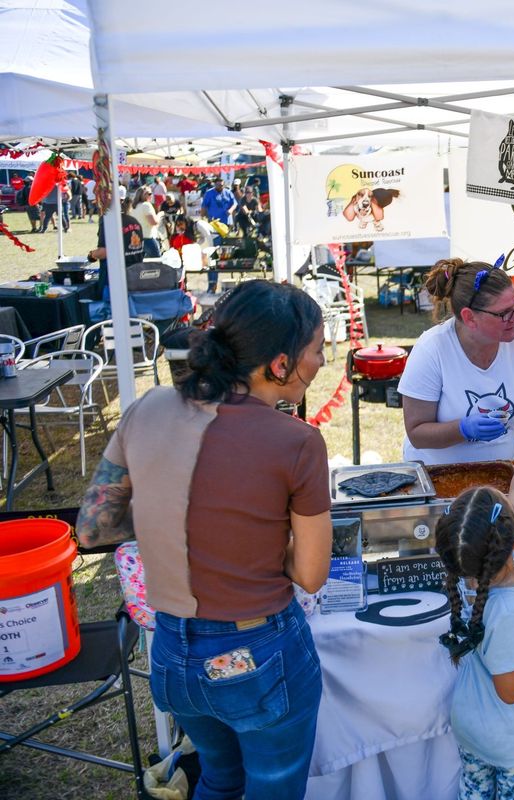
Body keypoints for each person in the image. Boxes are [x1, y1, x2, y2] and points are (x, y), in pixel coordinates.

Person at [74, 280, 332, 800]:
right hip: (257, 653)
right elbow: (310, 573)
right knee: (270, 787)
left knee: (218, 779)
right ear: (280, 365)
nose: (323, 362)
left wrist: (178, 518)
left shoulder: (147, 409)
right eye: (318, 350)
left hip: (171, 651)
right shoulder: (297, 441)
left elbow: (93, 527)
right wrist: (250, 535)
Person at [435, 417, 514, 800]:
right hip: (509, 738)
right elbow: (511, 690)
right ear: (512, 536)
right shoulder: (505, 613)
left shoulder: (483, 563)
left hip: (475, 724)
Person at [399, 258, 514, 465]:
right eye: (504, 313)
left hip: (503, 475)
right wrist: (462, 429)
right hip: (438, 478)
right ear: (469, 317)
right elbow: (417, 432)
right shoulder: (432, 349)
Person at [88, 185, 145, 293]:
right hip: (135, 276)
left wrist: (91, 255)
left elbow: (104, 252)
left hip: (114, 278)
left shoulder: (107, 220)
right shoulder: (134, 221)